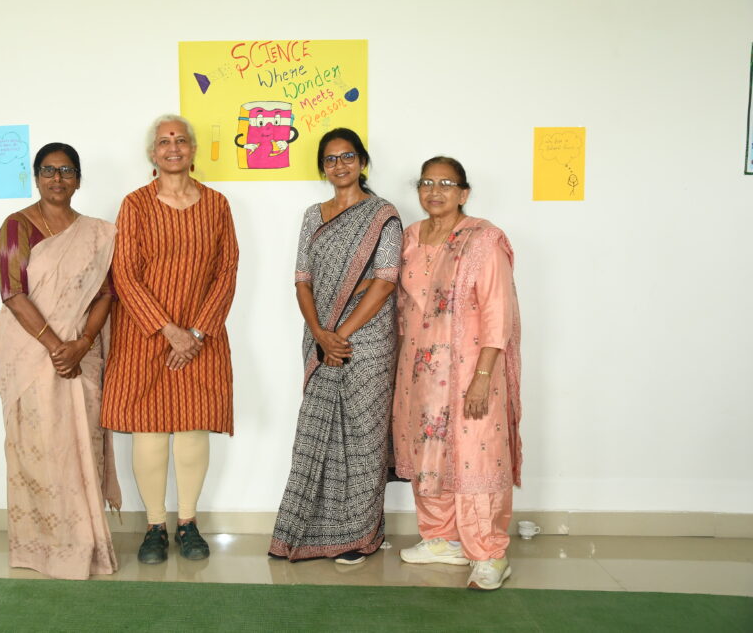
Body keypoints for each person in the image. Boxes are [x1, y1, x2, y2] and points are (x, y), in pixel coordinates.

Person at [101, 114, 239, 565]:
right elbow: (125, 273)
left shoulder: (217, 204)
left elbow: (226, 272)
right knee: (150, 428)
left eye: (181, 140)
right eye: (164, 141)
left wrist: (195, 333)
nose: (173, 147)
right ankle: (155, 526)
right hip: (145, 335)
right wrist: (169, 330)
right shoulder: (135, 204)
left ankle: (188, 523)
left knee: (194, 425)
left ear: (193, 150)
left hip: (202, 336)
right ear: (152, 154)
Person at [269, 128, 402, 564]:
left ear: (362, 162)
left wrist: (340, 335)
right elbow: (301, 280)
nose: (339, 165)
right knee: (319, 434)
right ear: (322, 167)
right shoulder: (314, 215)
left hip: (367, 342)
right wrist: (320, 333)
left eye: (347, 157)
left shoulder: (383, 215)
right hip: (320, 339)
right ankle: (310, 530)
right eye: (330, 159)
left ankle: (360, 536)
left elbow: (385, 282)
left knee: (363, 436)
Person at [0, 142, 121, 580]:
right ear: (36, 177)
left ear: (78, 180)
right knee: (39, 452)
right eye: (48, 170)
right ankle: (40, 548)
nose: (57, 179)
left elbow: (106, 294)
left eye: (66, 171)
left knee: (80, 448)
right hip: (30, 355)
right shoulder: (15, 227)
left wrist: (81, 344)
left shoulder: (99, 234)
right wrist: (55, 346)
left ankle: (85, 544)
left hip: (80, 358)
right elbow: (13, 294)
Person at [392, 156, 522, 590]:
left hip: (471, 370)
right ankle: (442, 540)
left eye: (446, 184)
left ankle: (489, 553)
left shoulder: (483, 240)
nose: (435, 191)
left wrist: (483, 378)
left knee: (476, 455)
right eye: (427, 182)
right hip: (421, 373)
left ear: (464, 193)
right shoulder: (410, 237)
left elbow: (498, 313)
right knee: (429, 454)